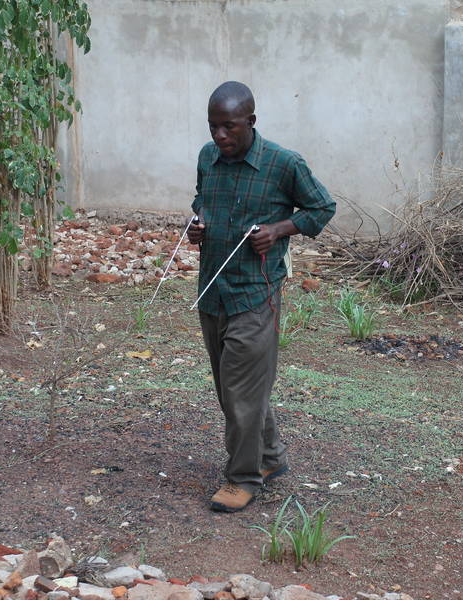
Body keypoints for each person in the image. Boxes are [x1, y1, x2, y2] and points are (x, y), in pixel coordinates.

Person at [188, 81, 336, 512]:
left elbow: (321, 208)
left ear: (251, 121)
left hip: (257, 292)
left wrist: (279, 229)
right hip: (213, 290)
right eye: (214, 127)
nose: (220, 136)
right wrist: (195, 226)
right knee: (232, 389)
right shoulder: (207, 157)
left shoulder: (284, 164)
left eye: (229, 127)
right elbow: (202, 201)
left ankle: (243, 478)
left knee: (240, 390)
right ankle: (269, 457)